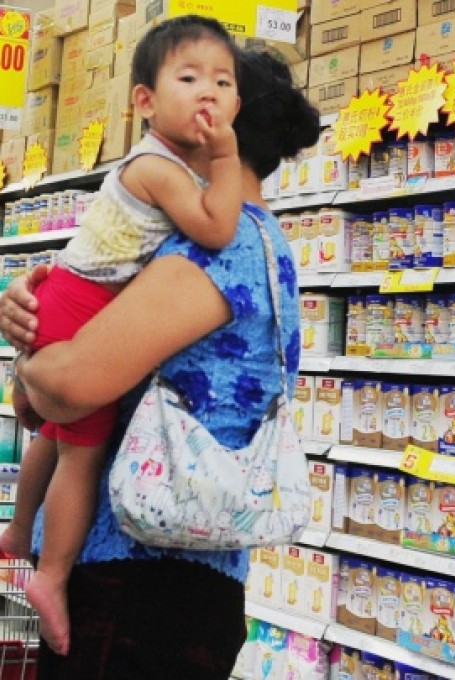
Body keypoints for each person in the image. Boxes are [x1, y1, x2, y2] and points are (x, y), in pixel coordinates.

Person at [0, 46, 321, 678]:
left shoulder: (219, 252)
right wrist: (34, 334)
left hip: (140, 590)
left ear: (211, 125)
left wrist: (33, 354)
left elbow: (65, 390)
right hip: (141, 576)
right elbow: (42, 408)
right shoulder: (204, 241)